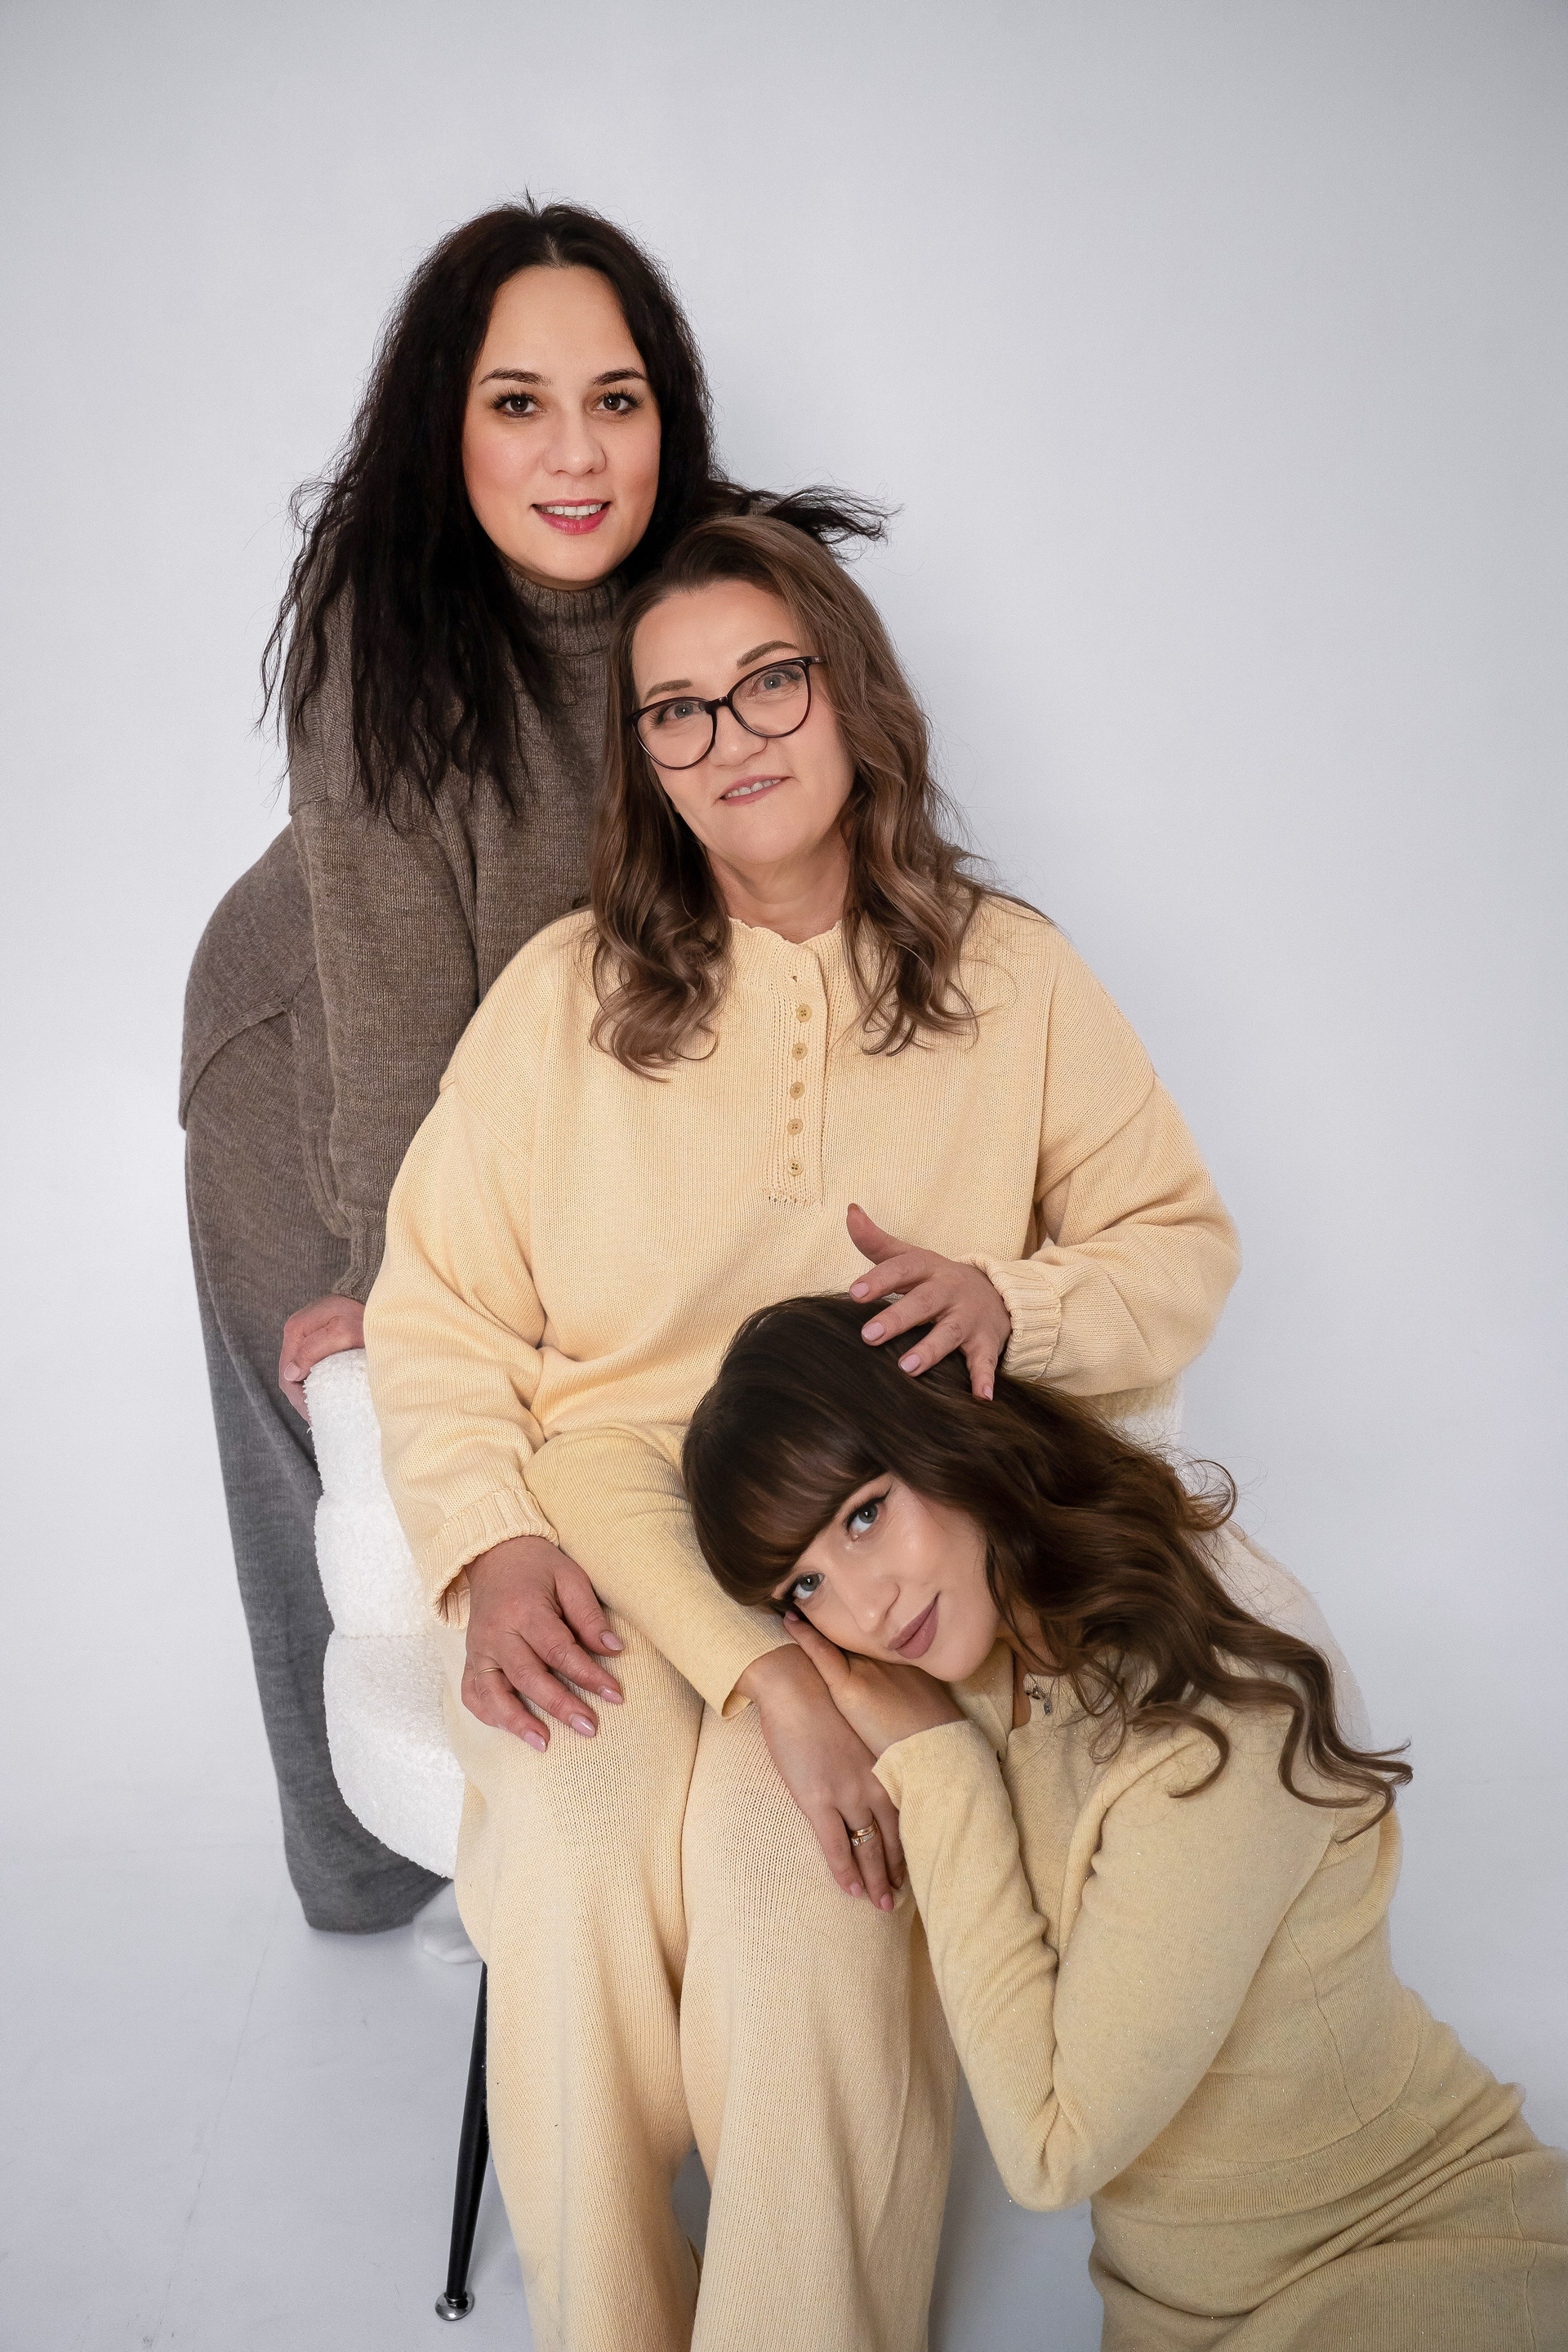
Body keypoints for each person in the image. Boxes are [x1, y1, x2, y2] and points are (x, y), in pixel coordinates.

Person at [364, 509, 1242, 2349]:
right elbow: (434, 1311)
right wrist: (484, 1534)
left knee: (804, 1898)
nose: (731, 738)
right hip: (600, 1537)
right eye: (677, 710)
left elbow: (1177, 1249)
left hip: (866, 1559)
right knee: (579, 1837)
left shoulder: (1012, 978)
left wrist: (1014, 1304)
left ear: (849, 690)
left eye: (769, 682)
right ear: (644, 755)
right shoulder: (564, 998)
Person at [179, 199, 871, 1934]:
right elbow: (396, 1010)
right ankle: (364, 1866)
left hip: (560, 1071)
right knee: (345, 1465)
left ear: (667, 414)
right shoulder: (383, 632)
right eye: (518, 403)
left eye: (615, 400)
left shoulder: (730, 594)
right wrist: (391, 1282)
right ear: (448, 420)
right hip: (311, 1039)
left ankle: (668, 1851)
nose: (576, 453)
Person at [682, 1291, 1568, 2352]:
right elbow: (598, 1482)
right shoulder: (974, 1624)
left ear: (948, 1432)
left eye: (866, 1513)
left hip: (1398, 2250)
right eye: (807, 1585)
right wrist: (779, 1683)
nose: (864, 1606)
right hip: (1176, 2312)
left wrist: (943, 1771)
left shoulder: (1206, 1716)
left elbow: (1051, 2152)